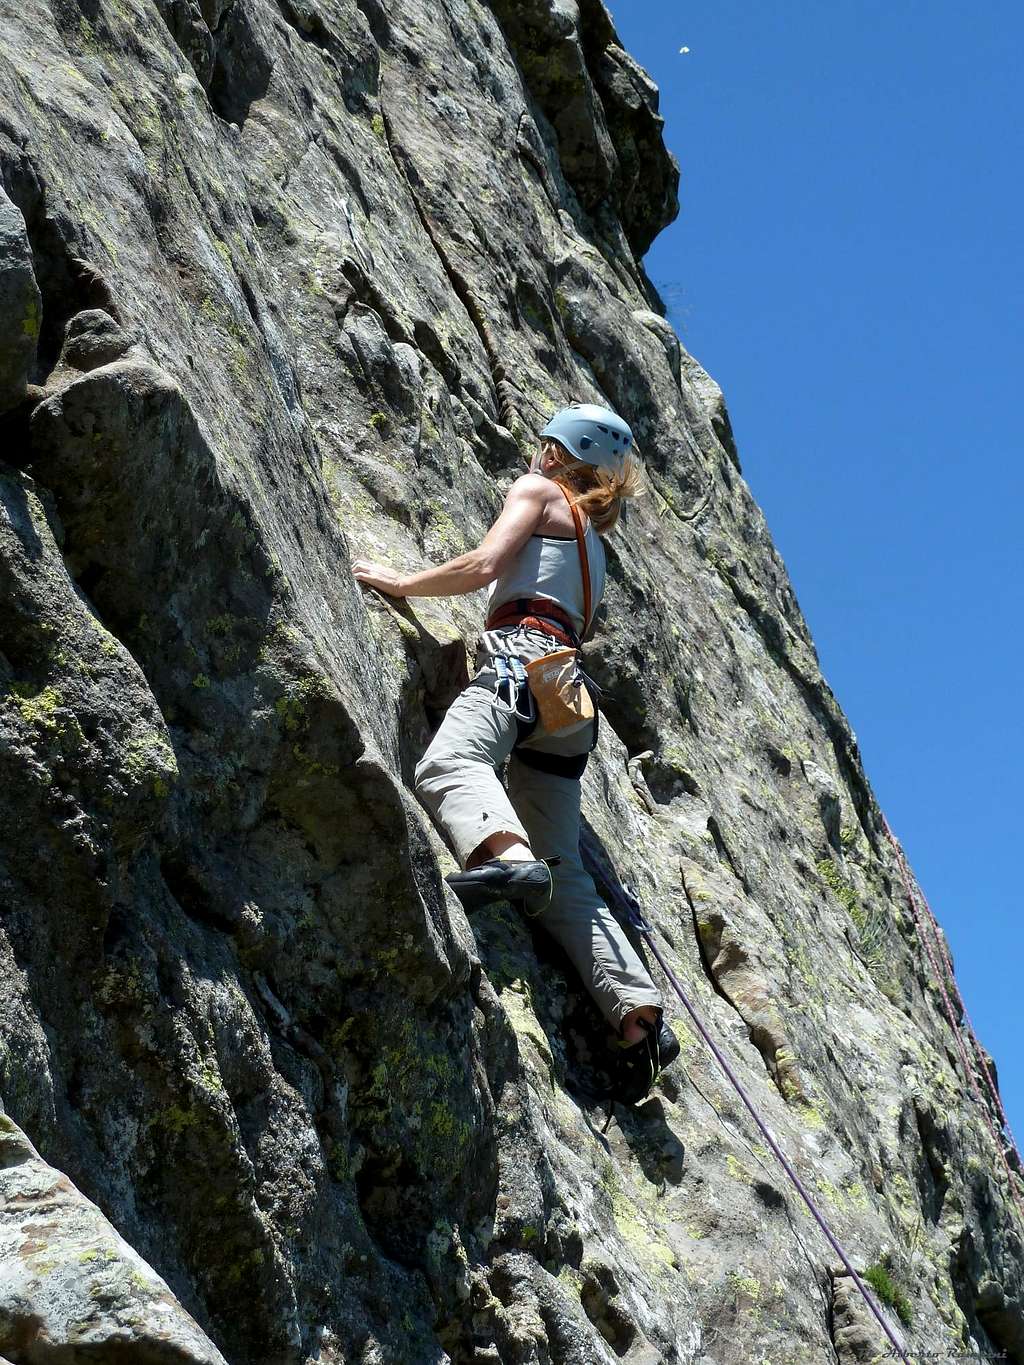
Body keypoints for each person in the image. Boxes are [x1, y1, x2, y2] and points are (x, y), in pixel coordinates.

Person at [352, 403, 679, 1100]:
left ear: (558, 454)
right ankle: (638, 1016)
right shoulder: (597, 549)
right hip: (568, 700)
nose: (535, 457)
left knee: (450, 763)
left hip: (522, 663)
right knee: (569, 874)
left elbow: (486, 564)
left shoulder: (538, 492)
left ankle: (509, 860)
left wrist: (399, 583)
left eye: (542, 447)